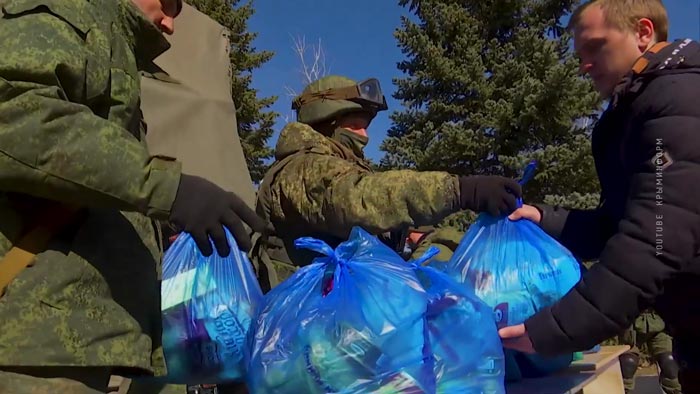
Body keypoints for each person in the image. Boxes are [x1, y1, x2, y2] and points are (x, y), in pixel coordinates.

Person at [0, 0, 267, 392]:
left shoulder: (111, 45)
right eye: (170, 3)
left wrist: (161, 229)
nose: (171, 24)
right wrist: (169, 189)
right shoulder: (70, 12)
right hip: (34, 346)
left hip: (84, 341)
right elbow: (17, 118)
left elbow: (89, 185)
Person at [499, 0, 700, 390]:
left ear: (643, 33)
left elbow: (655, 239)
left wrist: (553, 329)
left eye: (595, 46)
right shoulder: (635, 110)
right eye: (579, 54)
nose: (583, 65)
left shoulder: (679, 99)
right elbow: (619, 225)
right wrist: (544, 217)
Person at [252, 75, 522, 291]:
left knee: (443, 246)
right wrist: (459, 190)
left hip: (340, 310)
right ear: (326, 123)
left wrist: (415, 233)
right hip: (304, 325)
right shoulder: (301, 168)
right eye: (356, 124)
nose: (365, 135)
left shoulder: (335, 166)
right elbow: (358, 200)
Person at [618, 309, 681, 394]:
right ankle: (622, 391)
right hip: (631, 327)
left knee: (669, 362)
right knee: (628, 362)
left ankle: (676, 391)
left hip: (659, 323)